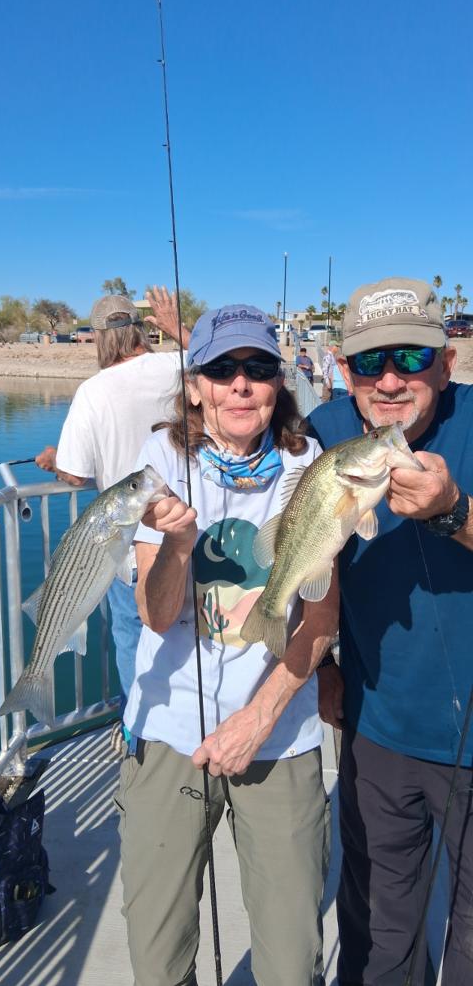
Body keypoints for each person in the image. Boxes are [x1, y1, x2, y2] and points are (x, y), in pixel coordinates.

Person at [116, 304, 339, 986]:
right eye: (220, 369)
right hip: (170, 727)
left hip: (279, 733)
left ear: (279, 383)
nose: (241, 384)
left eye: (259, 367)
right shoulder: (160, 458)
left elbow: (321, 616)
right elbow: (155, 617)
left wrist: (258, 719)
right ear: (194, 387)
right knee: (158, 958)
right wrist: (178, 546)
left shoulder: (309, 463)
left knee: (291, 960)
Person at [305, 276, 473, 985]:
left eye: (411, 357)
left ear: (446, 362)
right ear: (346, 372)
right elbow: (302, 560)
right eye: (371, 362)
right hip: (374, 728)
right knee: (378, 931)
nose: (391, 380)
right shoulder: (324, 433)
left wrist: (454, 511)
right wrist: (322, 668)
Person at [35, 287, 185, 716]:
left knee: (132, 637)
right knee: (187, 635)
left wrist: (54, 461)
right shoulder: (174, 366)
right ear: (139, 330)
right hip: (183, 529)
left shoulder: (93, 391)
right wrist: (178, 329)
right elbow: (217, 366)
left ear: (100, 337)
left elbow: (76, 473)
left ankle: (138, 727)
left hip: (128, 544)